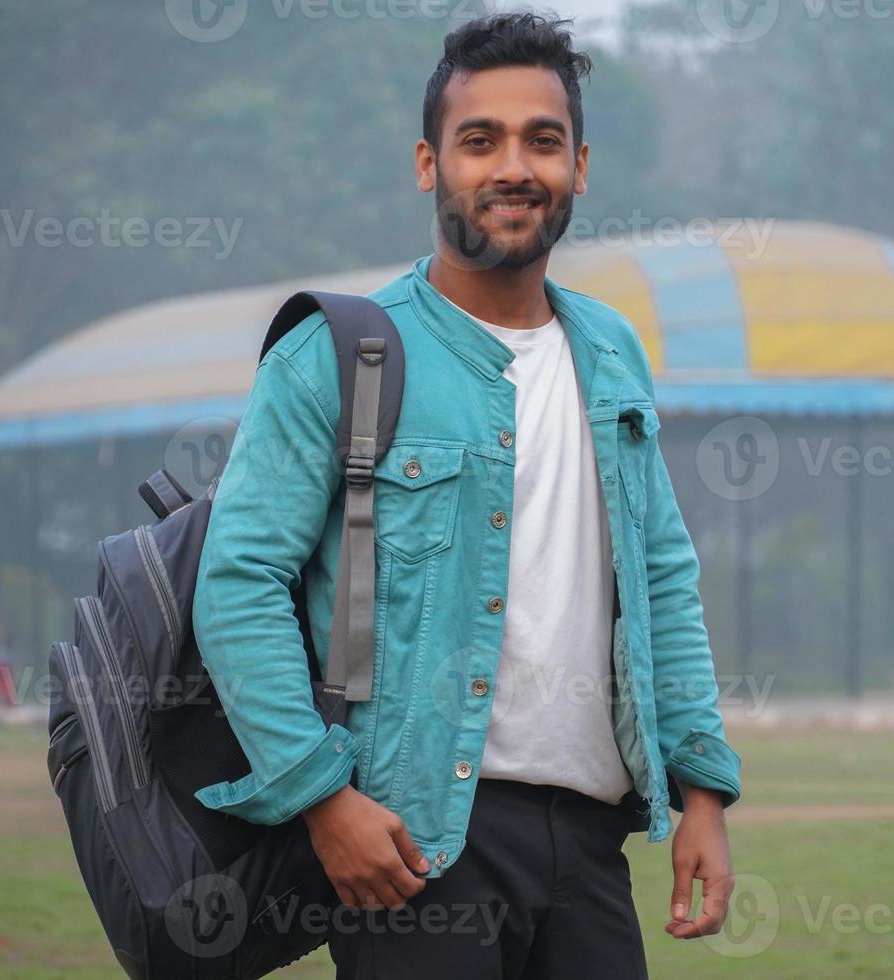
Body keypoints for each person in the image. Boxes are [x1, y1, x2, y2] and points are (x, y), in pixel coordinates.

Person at [191, 12, 743, 978]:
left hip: (589, 843)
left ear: (581, 164)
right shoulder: (342, 354)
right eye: (478, 141)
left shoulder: (611, 351)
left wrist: (703, 791)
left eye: (543, 140)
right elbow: (238, 583)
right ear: (427, 164)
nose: (512, 168)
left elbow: (661, 577)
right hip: (413, 844)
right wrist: (324, 800)